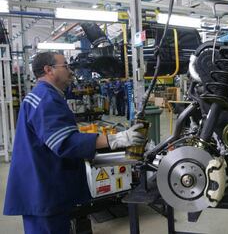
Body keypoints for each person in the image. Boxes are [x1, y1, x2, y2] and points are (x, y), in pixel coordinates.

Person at [3, 52, 146, 234]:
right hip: (44, 190)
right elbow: (65, 142)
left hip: (43, 183)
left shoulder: (42, 95)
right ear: (49, 70)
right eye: (66, 66)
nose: (70, 71)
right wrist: (116, 139)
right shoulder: (46, 99)